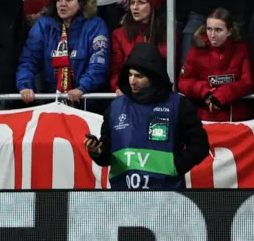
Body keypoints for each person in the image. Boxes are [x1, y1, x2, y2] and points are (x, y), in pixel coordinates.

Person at [83, 43, 210, 190]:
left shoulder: (178, 105)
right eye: (130, 75)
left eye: (139, 76)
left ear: (154, 76)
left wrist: (176, 167)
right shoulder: (115, 108)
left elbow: (200, 145)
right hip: (123, 200)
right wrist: (96, 151)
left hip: (167, 199)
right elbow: (106, 156)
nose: (132, 81)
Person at [17, 0, 110, 104]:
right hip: (51, 101)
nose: (62, 4)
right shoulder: (44, 25)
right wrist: (24, 85)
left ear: (81, 4)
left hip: (86, 100)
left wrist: (82, 87)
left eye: (68, 0)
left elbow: (99, 62)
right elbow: (29, 59)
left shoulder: (95, 25)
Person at [178, 8, 254, 121]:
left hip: (236, 117)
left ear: (229, 31)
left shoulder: (241, 50)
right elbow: (184, 82)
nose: (212, 35)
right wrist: (205, 91)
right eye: (209, 29)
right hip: (204, 117)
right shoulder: (196, 52)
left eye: (218, 30)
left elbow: (247, 82)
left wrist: (222, 94)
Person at [108, 0, 169, 90]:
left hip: (159, 93)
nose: (135, 7)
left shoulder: (168, 32)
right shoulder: (119, 34)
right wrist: (118, 88)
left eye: (141, 2)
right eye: (132, 3)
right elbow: (115, 70)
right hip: (130, 92)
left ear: (153, 5)